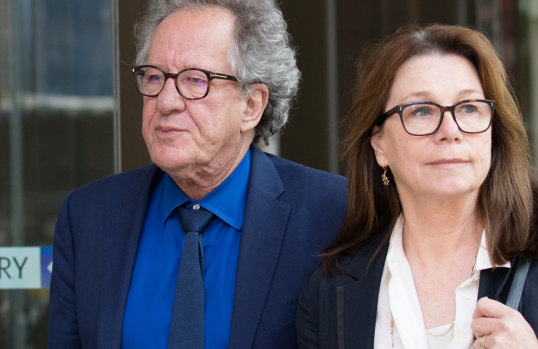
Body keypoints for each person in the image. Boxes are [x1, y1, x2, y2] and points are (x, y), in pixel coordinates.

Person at [296, 24, 538, 349]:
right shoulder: (330, 292)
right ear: (379, 145)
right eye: (421, 110)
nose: (450, 130)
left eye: (468, 108)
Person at [47, 0, 347, 348]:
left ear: (251, 105)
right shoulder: (88, 216)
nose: (165, 101)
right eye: (155, 77)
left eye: (195, 80)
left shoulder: (332, 214)